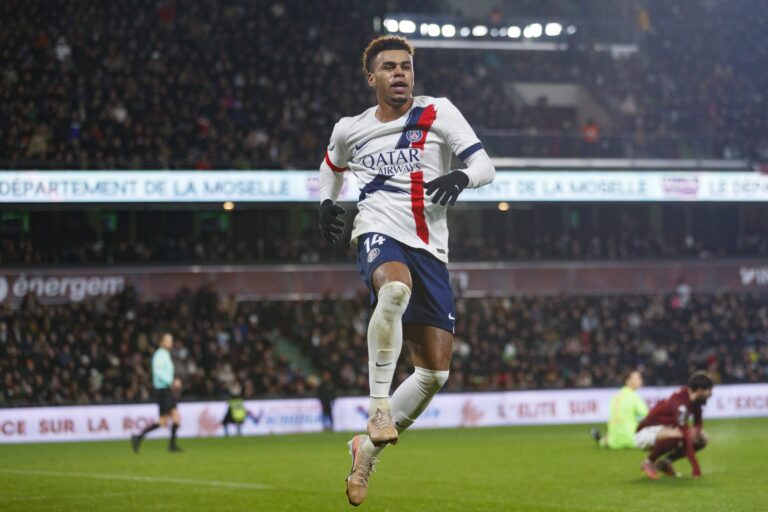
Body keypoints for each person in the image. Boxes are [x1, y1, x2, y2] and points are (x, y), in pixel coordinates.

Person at [317, 35, 496, 506]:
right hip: (378, 229)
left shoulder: (438, 112)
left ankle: (366, 449)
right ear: (371, 77)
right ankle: (379, 409)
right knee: (393, 289)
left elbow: (485, 165)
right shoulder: (350, 128)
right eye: (390, 67)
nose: (400, 74)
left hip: (431, 247)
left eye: (406, 66)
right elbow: (331, 165)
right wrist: (326, 202)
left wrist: (463, 175)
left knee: (433, 374)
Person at [635, 371, 714, 479]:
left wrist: (696, 429)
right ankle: (648, 462)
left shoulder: (693, 399)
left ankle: (665, 462)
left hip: (664, 430)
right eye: (709, 390)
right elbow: (684, 436)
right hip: (644, 434)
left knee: (701, 438)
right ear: (700, 390)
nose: (711, 394)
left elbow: (698, 423)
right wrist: (696, 469)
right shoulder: (681, 405)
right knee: (679, 434)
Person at [131, 333, 183, 452]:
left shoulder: (165, 354)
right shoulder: (159, 355)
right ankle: (139, 437)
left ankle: (140, 438)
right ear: (161, 342)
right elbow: (158, 373)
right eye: (168, 340)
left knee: (171, 418)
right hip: (162, 390)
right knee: (165, 420)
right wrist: (171, 382)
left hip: (166, 390)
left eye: (171, 340)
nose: (170, 342)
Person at [591, 369, 648, 449]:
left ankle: (601, 440)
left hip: (614, 441)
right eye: (637, 378)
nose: (640, 380)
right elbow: (647, 415)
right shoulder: (634, 397)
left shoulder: (615, 397)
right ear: (628, 381)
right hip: (632, 440)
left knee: (608, 438)